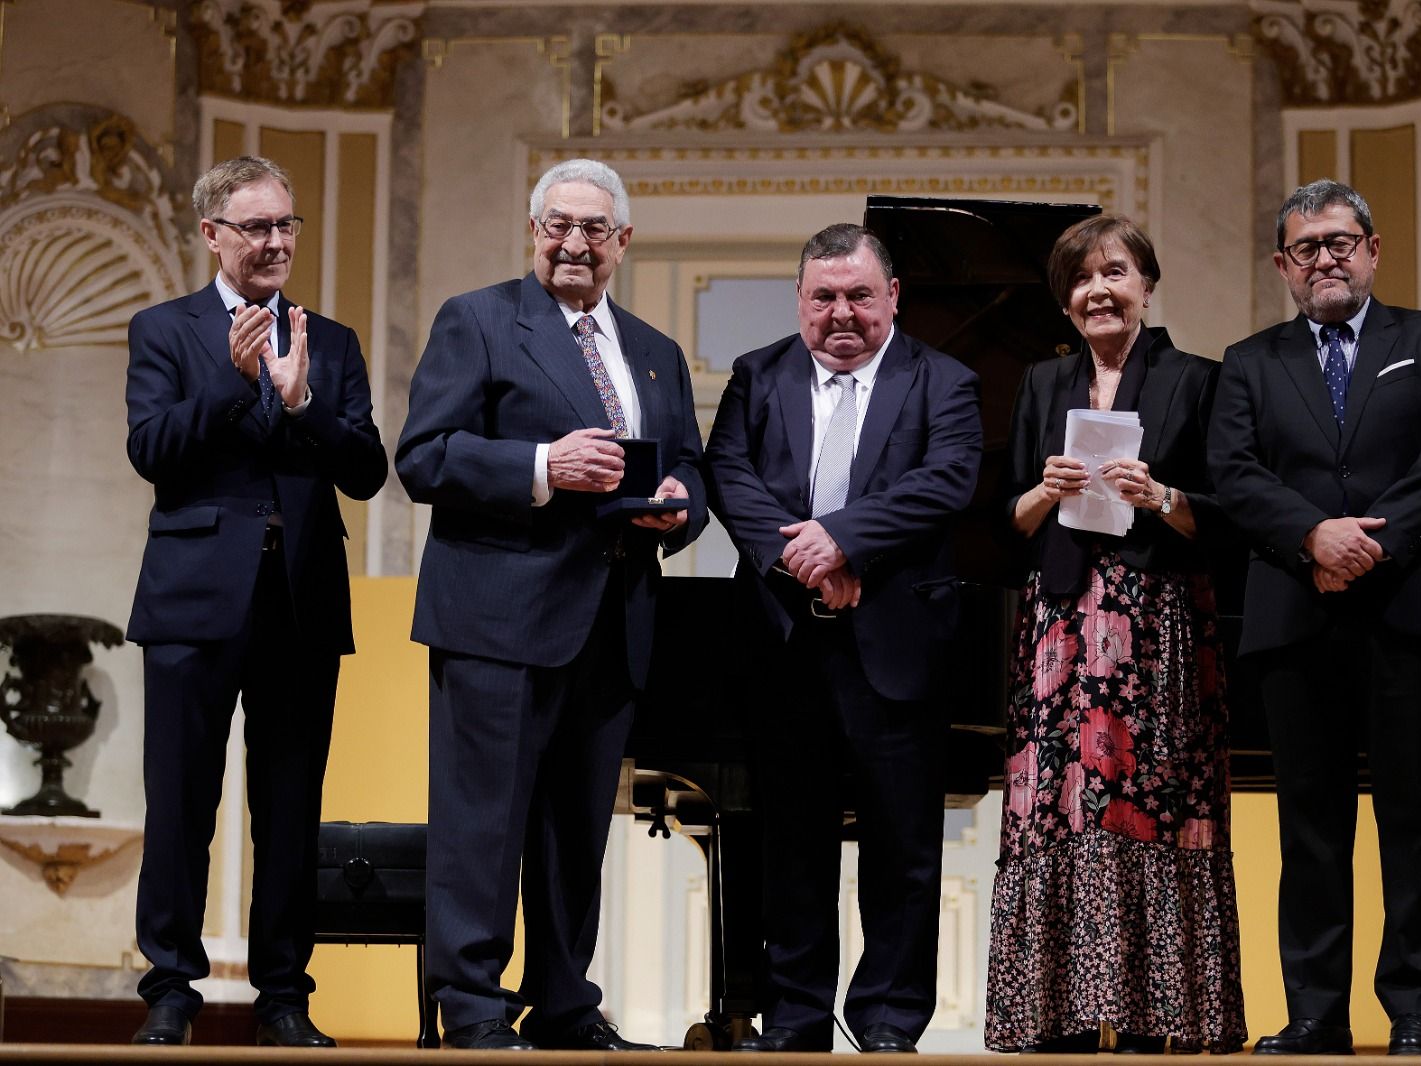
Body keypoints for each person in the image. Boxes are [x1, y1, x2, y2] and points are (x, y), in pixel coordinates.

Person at [395, 157, 705, 1052]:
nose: (574, 243)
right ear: (534, 232)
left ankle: (566, 1002)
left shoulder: (654, 351)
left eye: (593, 230)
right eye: (557, 226)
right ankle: (475, 1006)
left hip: (612, 620)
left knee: (577, 833)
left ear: (623, 242)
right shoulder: (480, 320)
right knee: (482, 826)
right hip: (496, 617)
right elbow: (423, 457)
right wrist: (542, 467)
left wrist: (678, 504)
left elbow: (692, 466)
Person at [1208, 180, 1421, 1057]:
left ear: (1371, 250)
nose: (1324, 259)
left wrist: (1370, 545)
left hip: (1412, 607)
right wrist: (1311, 537)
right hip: (1298, 611)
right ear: (1284, 267)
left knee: (1414, 819)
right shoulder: (1250, 360)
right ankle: (1316, 1012)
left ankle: (1414, 1011)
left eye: (1340, 242)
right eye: (1305, 248)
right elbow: (1235, 471)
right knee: (1311, 825)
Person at [124, 155, 388, 1047]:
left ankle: (284, 994)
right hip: (194, 598)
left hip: (301, 600)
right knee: (182, 802)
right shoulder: (164, 330)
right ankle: (170, 987)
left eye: (287, 225)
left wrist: (303, 398)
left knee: (289, 809)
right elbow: (151, 449)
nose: (277, 242)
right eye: (258, 227)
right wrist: (231, 387)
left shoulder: (335, 340)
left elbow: (366, 468)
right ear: (212, 234)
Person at [704, 223, 982, 1054]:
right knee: (793, 843)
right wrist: (806, 558)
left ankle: (890, 1021)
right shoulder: (758, 376)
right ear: (800, 302)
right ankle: (794, 1021)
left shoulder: (946, 381)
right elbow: (730, 474)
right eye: (823, 296)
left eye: (860, 294)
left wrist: (845, 540)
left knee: (903, 848)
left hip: (897, 646)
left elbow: (949, 480)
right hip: (784, 641)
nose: (842, 313)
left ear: (892, 296)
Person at [983, 215, 1246, 1054]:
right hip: (1060, 627)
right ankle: (1051, 1015)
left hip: (1157, 624)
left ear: (1146, 284)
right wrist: (1043, 491)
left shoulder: (1197, 380)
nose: (1099, 289)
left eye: (1116, 271)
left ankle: (1157, 1016)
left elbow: (1230, 520)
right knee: (1059, 812)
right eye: (1082, 278)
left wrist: (1161, 495)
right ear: (1066, 303)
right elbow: (1008, 521)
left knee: (1150, 806)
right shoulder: (1040, 383)